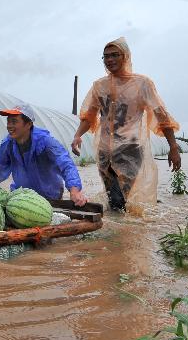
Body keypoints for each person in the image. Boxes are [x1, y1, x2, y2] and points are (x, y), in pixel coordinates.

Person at [71, 37, 181, 214]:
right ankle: (120, 227)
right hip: (105, 149)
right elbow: (89, 116)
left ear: (126, 57)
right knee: (112, 195)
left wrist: (173, 147)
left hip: (130, 148)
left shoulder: (142, 84)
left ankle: (122, 234)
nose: (110, 59)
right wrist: (77, 135)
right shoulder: (99, 86)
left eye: (115, 55)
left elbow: (162, 116)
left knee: (119, 197)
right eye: (106, 56)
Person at [0, 104, 88, 206]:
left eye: (14, 122)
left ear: (28, 124)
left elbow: (66, 164)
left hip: (49, 198)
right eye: (8, 122)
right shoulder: (8, 143)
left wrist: (74, 190)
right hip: (21, 199)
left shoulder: (46, 142)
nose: (9, 126)